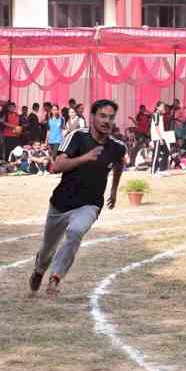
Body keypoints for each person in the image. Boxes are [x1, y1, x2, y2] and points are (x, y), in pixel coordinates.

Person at [28, 99, 125, 298]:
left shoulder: (116, 147)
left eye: (111, 117)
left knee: (75, 231)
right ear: (92, 117)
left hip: (90, 204)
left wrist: (114, 190)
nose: (107, 121)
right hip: (61, 203)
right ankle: (39, 269)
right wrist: (85, 157)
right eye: (102, 116)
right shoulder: (77, 137)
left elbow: (119, 165)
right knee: (47, 249)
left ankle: (55, 277)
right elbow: (58, 166)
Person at [150, 101, 169, 176]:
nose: (163, 108)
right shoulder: (156, 114)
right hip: (157, 137)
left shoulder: (160, 115)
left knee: (166, 152)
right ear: (157, 107)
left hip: (161, 136)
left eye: (163, 106)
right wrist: (160, 138)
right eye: (161, 106)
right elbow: (156, 127)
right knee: (156, 154)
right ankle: (153, 171)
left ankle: (162, 169)